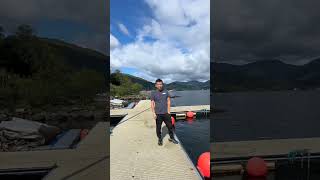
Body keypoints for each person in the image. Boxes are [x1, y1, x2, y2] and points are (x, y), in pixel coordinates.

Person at [150, 79, 178, 146]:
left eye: (161, 84)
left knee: (170, 127)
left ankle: (172, 138)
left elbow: (168, 101)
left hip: (166, 113)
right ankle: (160, 139)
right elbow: (152, 103)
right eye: (158, 84)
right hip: (158, 114)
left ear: (162, 84)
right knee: (158, 128)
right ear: (156, 85)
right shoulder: (153, 93)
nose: (160, 85)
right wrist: (153, 113)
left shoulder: (166, 92)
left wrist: (168, 111)